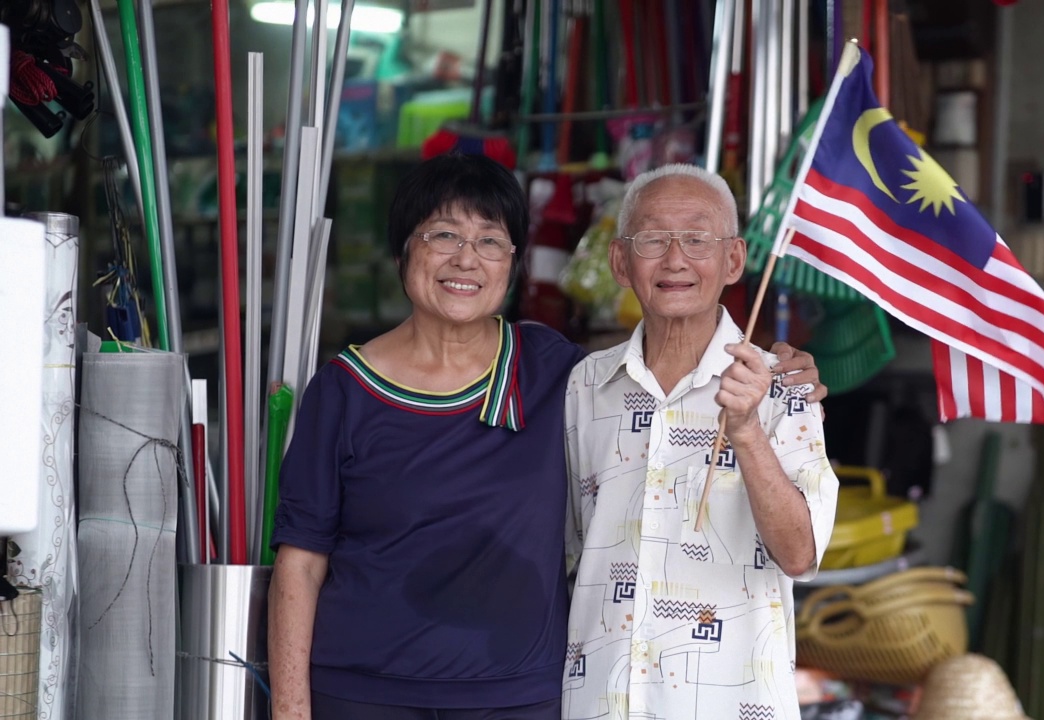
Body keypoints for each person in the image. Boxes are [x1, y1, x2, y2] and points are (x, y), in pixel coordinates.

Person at [267, 153, 828, 720]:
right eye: (442, 234)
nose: (466, 259)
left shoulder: (556, 372)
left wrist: (777, 389)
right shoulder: (349, 389)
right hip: (367, 695)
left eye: (490, 241)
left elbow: (799, 551)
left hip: (519, 698)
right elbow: (301, 559)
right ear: (402, 250)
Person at [562, 164, 840, 719]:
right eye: (652, 239)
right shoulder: (585, 385)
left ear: (733, 260)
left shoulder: (784, 390)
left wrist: (747, 432)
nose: (674, 259)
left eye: (696, 238)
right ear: (621, 261)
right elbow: (569, 546)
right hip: (602, 703)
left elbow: (800, 554)